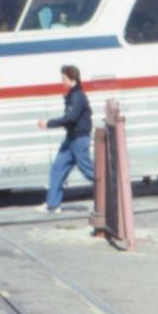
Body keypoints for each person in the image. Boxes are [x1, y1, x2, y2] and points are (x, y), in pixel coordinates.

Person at [38, 65, 95, 213]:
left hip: (79, 139)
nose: (62, 81)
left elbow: (71, 117)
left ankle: (113, 192)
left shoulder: (77, 96)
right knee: (57, 168)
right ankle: (53, 204)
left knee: (88, 171)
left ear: (72, 79)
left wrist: (48, 123)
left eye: (64, 78)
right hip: (71, 139)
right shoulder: (73, 95)